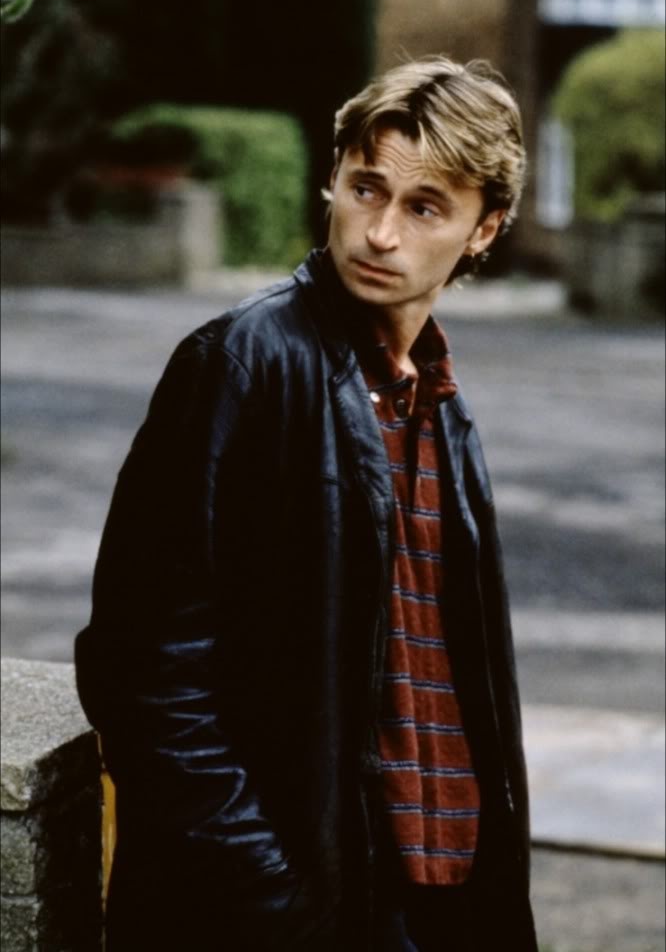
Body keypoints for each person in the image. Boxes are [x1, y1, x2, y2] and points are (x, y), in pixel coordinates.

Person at [75, 55, 539, 951]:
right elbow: (144, 672)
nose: (381, 233)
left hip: (442, 895)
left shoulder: (441, 406)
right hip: (302, 907)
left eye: (425, 207)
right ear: (334, 178)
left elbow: (459, 681)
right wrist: (274, 896)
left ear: (485, 229)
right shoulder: (241, 365)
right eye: (367, 189)